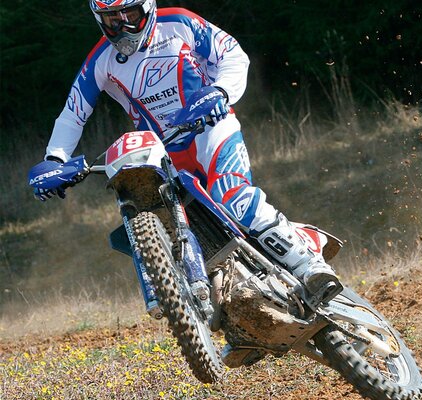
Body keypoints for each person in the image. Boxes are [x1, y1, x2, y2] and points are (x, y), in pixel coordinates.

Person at [34, 0, 341, 304]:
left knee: (231, 196)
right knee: (173, 226)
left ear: (148, 8)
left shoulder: (179, 22)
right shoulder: (101, 59)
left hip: (210, 126)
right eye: (112, 19)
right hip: (163, 151)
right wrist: (55, 160)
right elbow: (73, 113)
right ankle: (226, 309)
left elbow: (233, 54)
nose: (123, 27)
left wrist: (220, 91)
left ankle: (310, 266)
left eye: (130, 15)